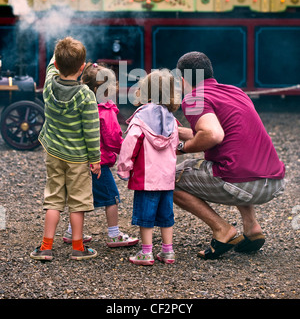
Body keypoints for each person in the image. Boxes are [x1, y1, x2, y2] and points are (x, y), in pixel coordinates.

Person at [174, 51, 285, 260]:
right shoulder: (234, 91)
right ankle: (252, 228)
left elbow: (213, 134)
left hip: (244, 184)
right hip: (273, 181)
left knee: (169, 179)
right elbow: (223, 133)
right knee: (236, 156)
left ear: (182, 79)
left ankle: (222, 230)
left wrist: (181, 147)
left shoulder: (194, 98)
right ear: (210, 73)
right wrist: (177, 131)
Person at [30, 37, 100, 261]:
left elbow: (52, 67)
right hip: (78, 158)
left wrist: (57, 52)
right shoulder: (86, 95)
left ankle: (45, 247)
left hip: (53, 154)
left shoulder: (49, 85)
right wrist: (95, 158)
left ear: (57, 65)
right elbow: (91, 130)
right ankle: (78, 248)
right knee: (77, 202)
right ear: (83, 67)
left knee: (53, 199)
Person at [63, 63, 138, 248]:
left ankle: (71, 232)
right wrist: (127, 151)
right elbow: (113, 139)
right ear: (101, 89)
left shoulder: (78, 106)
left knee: (81, 197)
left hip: (78, 161)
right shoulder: (105, 112)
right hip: (99, 163)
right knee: (111, 198)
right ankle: (114, 234)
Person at [117, 69, 180, 265]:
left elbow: (130, 144)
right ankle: (167, 251)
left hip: (146, 178)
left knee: (146, 217)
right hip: (167, 178)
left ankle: (146, 253)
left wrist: (124, 169)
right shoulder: (172, 120)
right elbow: (175, 147)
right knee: (165, 216)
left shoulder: (141, 118)